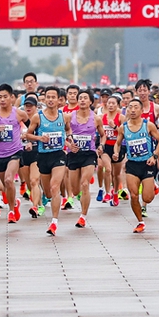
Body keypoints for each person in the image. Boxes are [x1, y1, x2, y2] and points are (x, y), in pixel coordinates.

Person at [24, 86, 71, 236]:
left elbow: (68, 130)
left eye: (53, 97)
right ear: (44, 99)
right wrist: (39, 138)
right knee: (49, 192)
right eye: (48, 97)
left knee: (55, 186)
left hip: (58, 155)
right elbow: (28, 135)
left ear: (59, 100)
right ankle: (48, 199)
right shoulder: (38, 117)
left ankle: (54, 222)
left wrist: (69, 139)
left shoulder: (64, 116)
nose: (50, 100)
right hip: (43, 157)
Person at [116, 98, 159, 233]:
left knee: (147, 198)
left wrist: (154, 156)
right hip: (132, 164)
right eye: (130, 107)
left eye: (136, 107)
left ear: (142, 110)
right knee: (134, 195)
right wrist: (116, 153)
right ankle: (140, 222)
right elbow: (118, 143)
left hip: (147, 164)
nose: (132, 110)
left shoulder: (148, 125)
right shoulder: (123, 128)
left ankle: (153, 185)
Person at [0, 84, 29, 224]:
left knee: (8, 180)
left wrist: (29, 140)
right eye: (0, 97)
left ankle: (11, 211)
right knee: (6, 185)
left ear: (11, 97)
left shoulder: (19, 113)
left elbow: (33, 128)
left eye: (5, 97)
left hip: (15, 151)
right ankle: (15, 203)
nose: (2, 100)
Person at [66, 89, 103, 228]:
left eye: (85, 98)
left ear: (90, 101)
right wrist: (69, 142)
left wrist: (101, 145)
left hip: (89, 153)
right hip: (74, 154)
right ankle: (82, 195)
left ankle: (83, 216)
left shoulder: (96, 118)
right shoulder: (69, 116)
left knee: (85, 184)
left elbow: (103, 135)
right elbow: (63, 131)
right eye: (80, 97)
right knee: (75, 191)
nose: (82, 100)